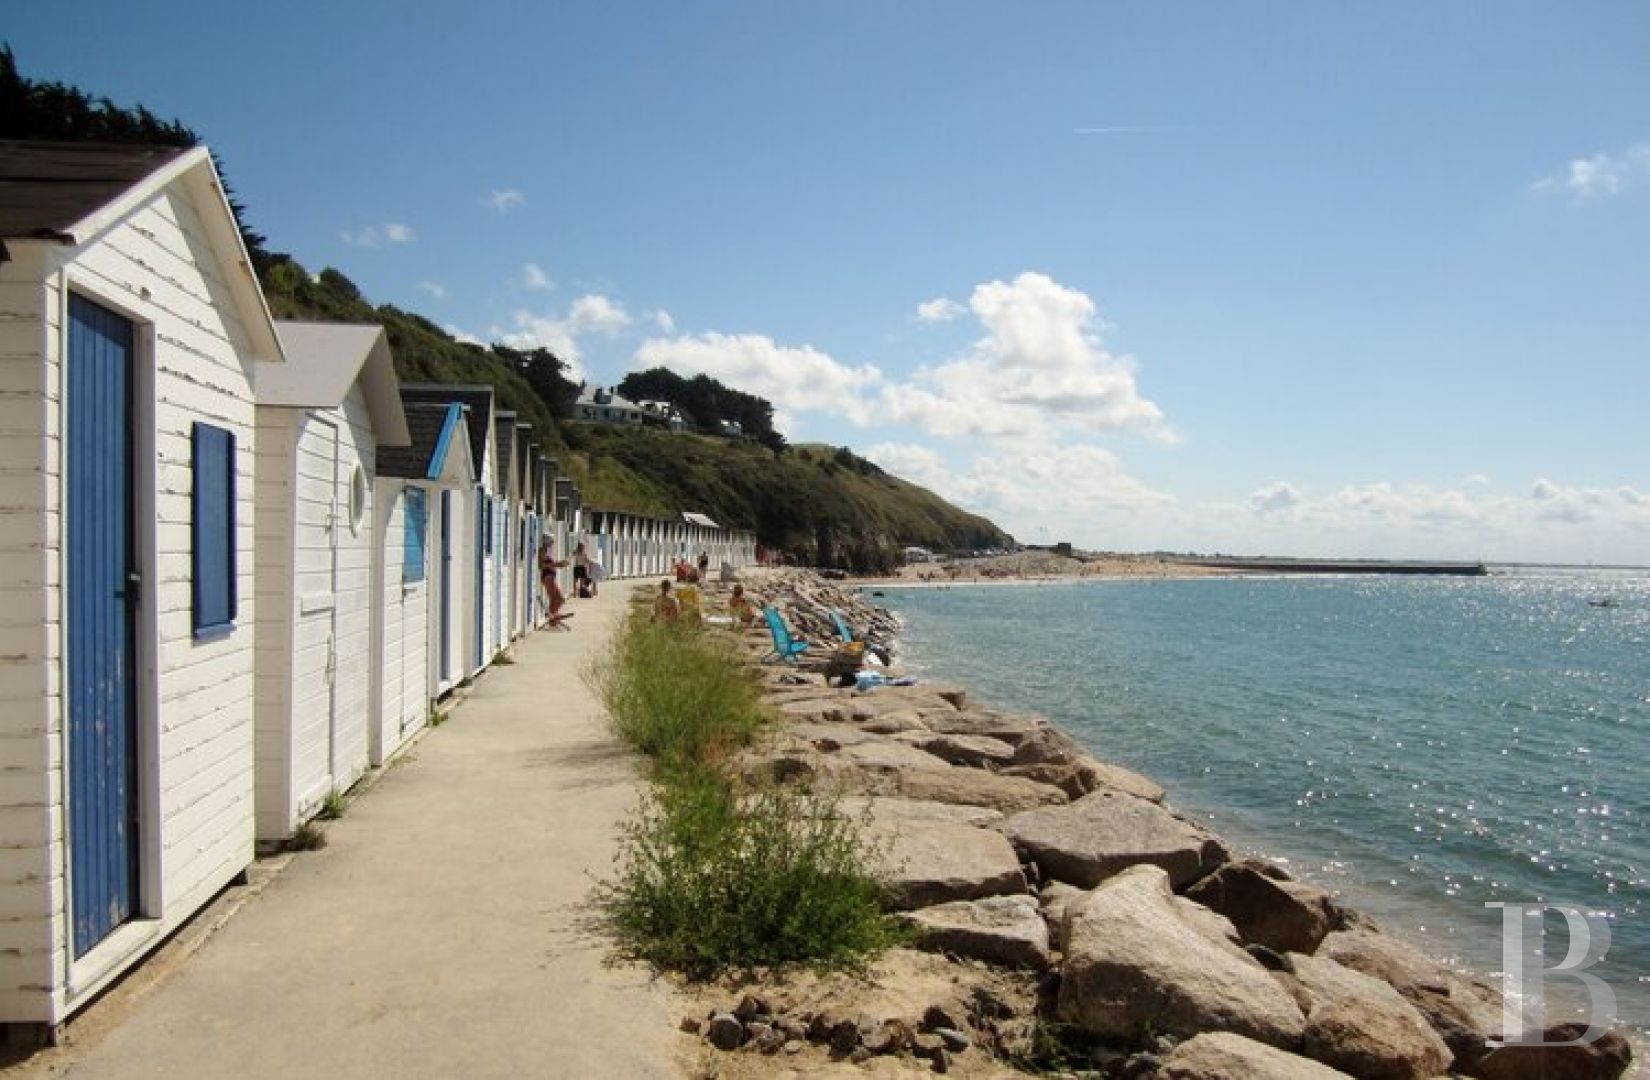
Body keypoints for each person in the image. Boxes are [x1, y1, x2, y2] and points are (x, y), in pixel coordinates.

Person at [539, 538, 570, 629]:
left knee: (559, 599)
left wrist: (559, 564)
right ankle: (552, 619)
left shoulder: (547, 551)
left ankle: (553, 617)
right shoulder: (542, 550)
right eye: (551, 542)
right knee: (555, 599)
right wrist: (557, 564)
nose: (552, 544)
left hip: (550, 576)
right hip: (548, 577)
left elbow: (549, 564)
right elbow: (542, 565)